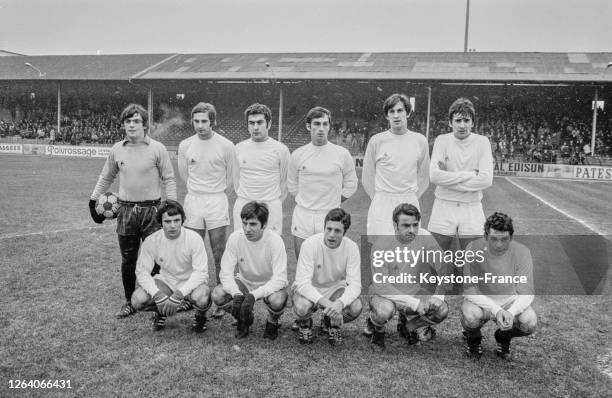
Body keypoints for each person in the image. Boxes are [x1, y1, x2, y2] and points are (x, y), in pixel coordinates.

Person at [88, 103, 177, 318]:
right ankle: (129, 301)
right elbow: (106, 176)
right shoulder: (117, 149)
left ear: (145, 125)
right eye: (127, 121)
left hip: (152, 212)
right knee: (128, 259)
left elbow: (169, 178)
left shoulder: (157, 148)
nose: (131, 125)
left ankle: (155, 298)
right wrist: (93, 201)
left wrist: (172, 205)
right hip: (126, 212)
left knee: (157, 260)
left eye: (136, 121)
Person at [178, 102, 237, 318]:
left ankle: (221, 299)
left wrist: (216, 195)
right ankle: (193, 296)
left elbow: (232, 179)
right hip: (193, 201)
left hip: (216, 201)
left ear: (213, 121)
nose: (200, 125)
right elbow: (184, 175)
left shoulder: (226, 145)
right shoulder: (185, 145)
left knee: (219, 253)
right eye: (196, 121)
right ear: (192, 121)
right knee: (192, 252)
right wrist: (199, 193)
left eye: (205, 121)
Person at [366, 204, 451, 350]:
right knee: (383, 311)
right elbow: (381, 286)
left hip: (412, 290)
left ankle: (408, 326)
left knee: (441, 310)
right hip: (384, 294)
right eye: (405, 225)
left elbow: (444, 268)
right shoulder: (381, 245)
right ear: (395, 225)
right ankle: (377, 330)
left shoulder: (425, 237)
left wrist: (439, 295)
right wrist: (414, 303)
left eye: (415, 225)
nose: (411, 230)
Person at [461, 212, 537, 359]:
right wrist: (496, 310)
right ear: (485, 236)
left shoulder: (522, 252)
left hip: (509, 301)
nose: (499, 245)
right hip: (482, 302)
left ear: (511, 237)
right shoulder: (473, 249)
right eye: (493, 239)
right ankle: (473, 339)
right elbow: (469, 290)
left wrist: (511, 312)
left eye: (504, 239)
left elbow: (527, 292)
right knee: (470, 317)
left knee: (530, 323)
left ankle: (503, 336)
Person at [287, 106, 358, 260]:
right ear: (308, 126)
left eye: (325, 124)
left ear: (329, 126)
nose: (321, 128)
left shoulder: (341, 154)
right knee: (303, 263)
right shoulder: (298, 154)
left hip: (329, 214)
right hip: (303, 214)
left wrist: (335, 201)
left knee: (328, 264)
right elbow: (292, 184)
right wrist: (306, 200)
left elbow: (351, 183)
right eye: (317, 124)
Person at [131, 201, 211, 332]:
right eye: (167, 221)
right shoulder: (151, 241)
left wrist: (179, 295)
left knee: (201, 297)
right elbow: (142, 272)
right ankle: (162, 312)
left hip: (191, 281)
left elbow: (201, 273)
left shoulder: (194, 238)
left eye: (176, 220)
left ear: (182, 220)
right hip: (166, 281)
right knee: (137, 300)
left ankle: (200, 316)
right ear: (160, 222)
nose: (173, 225)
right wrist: (157, 295)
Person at [212, 201, 288, 340]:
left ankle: (272, 321)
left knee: (278, 300)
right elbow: (225, 272)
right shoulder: (236, 238)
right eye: (244, 223)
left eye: (253, 224)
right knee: (218, 294)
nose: (247, 229)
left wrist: (254, 295)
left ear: (264, 225)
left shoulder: (275, 241)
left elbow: (280, 278)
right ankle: (244, 317)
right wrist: (236, 293)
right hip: (245, 282)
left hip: (270, 284)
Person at [428, 98, 493, 251]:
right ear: (450, 122)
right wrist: (470, 175)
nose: (462, 125)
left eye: (466, 120)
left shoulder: (482, 142)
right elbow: (434, 176)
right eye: (458, 120)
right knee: (435, 260)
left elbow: (486, 180)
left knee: (474, 262)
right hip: (443, 206)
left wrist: (448, 178)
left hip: (472, 207)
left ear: (473, 122)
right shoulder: (442, 141)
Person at [362, 93, 430, 238]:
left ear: (408, 113)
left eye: (400, 110)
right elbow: (367, 177)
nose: (396, 115)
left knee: (408, 253)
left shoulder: (420, 141)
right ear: (387, 116)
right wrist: (379, 199)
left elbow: (424, 177)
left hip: (409, 201)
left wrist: (410, 198)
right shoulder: (376, 141)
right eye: (391, 111)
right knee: (380, 252)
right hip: (382, 202)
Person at [292, 208, 362, 346]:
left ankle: (330, 322)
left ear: (344, 232)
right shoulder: (310, 244)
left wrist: (340, 304)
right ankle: (305, 323)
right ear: (324, 228)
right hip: (309, 289)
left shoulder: (351, 247)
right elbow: (303, 283)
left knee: (355, 306)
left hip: (334, 289)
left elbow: (355, 285)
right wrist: (331, 305)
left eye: (337, 231)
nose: (331, 235)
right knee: (301, 307)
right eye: (328, 229)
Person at [233, 103, 290, 234]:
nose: (256, 127)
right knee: (243, 247)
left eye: (260, 122)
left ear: (269, 124)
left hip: (271, 207)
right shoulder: (238, 148)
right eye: (251, 123)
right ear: (247, 125)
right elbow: (236, 181)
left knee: (272, 248)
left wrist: (271, 202)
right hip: (244, 204)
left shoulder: (281, 150)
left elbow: (284, 183)